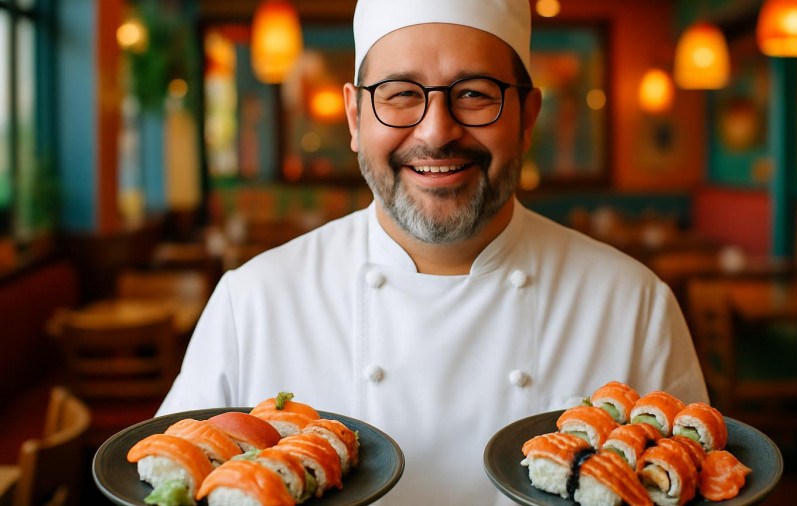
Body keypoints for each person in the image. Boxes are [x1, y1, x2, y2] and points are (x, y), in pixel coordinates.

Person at [158, 0, 708, 503]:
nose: (437, 130)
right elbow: (169, 481)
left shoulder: (634, 304)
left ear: (528, 118)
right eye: (400, 94)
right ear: (355, 118)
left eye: (474, 94)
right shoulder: (251, 302)